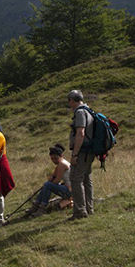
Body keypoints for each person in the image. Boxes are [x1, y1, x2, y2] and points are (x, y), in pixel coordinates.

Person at [67, 89, 95, 221]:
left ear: (72, 100)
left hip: (82, 151)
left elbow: (80, 133)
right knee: (86, 179)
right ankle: (89, 207)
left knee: (75, 179)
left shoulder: (79, 112)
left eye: (69, 102)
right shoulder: (88, 110)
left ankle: (80, 211)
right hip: (90, 151)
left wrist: (75, 154)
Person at [25, 144, 72, 217]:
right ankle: (37, 206)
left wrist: (49, 184)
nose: (54, 161)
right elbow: (52, 177)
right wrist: (50, 181)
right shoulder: (61, 163)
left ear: (61, 156)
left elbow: (56, 181)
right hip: (67, 188)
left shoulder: (62, 164)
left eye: (56, 158)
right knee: (47, 184)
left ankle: (41, 208)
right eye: (52, 159)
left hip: (70, 191)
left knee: (47, 185)